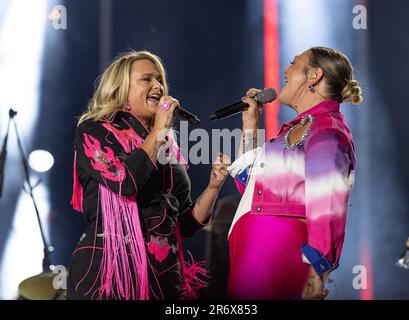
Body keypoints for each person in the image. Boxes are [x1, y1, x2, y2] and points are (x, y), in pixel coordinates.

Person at [67, 50, 230, 300]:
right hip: (110, 273)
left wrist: (213, 187)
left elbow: (184, 224)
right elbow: (123, 181)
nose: (158, 86)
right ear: (122, 90)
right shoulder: (94, 130)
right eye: (147, 79)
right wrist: (159, 130)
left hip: (163, 277)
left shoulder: (165, 145)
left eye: (160, 80)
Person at [227, 46, 362, 300]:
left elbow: (327, 200)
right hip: (256, 247)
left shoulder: (326, 128)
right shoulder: (298, 128)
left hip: (272, 248)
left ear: (314, 76)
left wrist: (318, 269)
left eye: (293, 63)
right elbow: (251, 189)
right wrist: (250, 124)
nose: (285, 70)